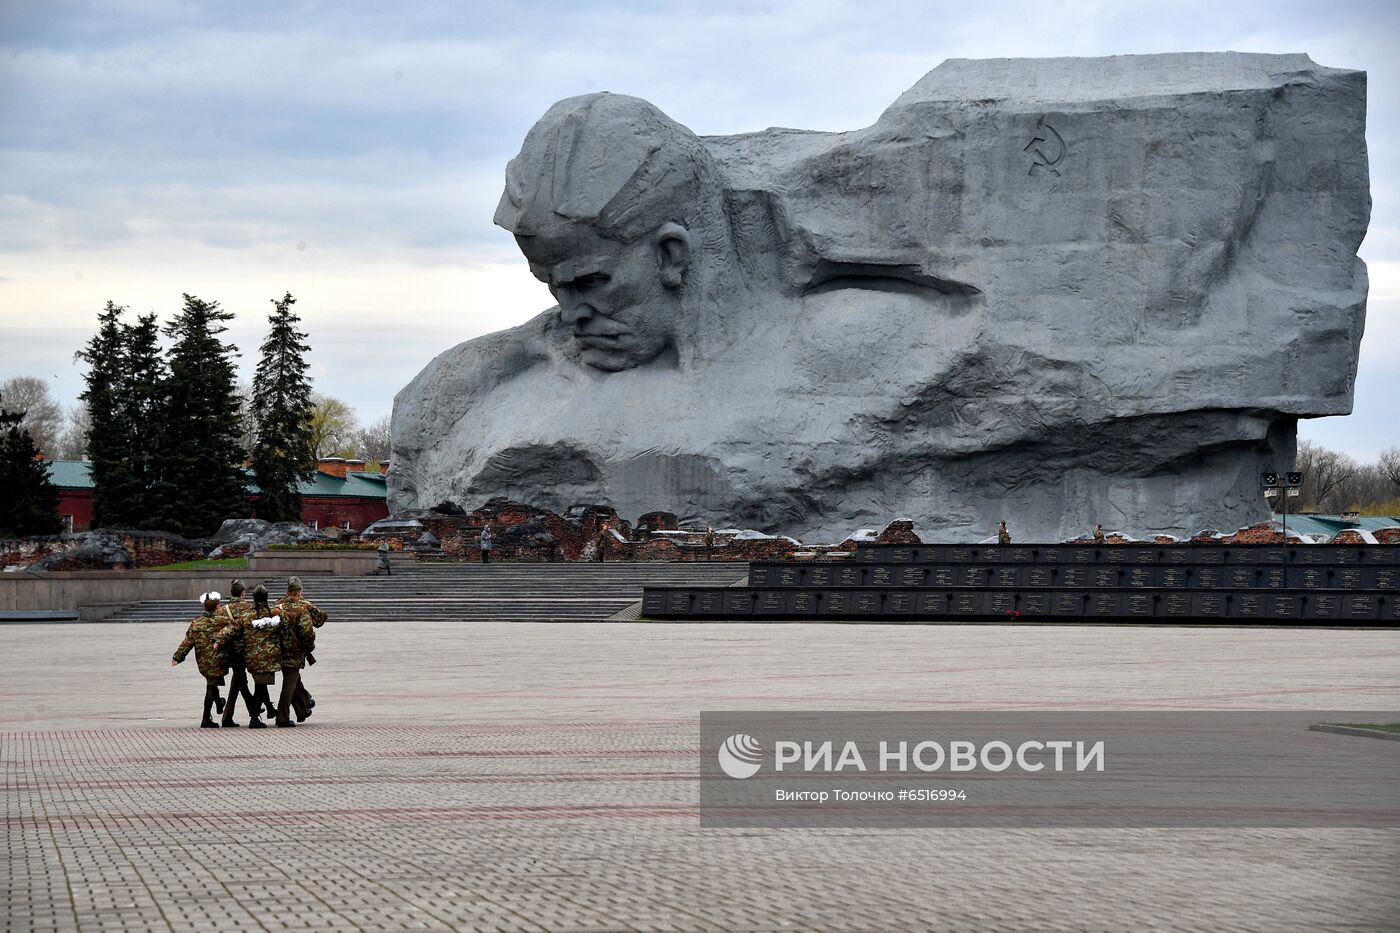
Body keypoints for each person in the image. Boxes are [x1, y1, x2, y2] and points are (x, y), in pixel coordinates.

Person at [171, 591, 231, 728]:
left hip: (203, 661)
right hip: (218, 660)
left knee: (212, 682)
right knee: (211, 686)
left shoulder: (196, 623)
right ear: (217, 607)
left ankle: (219, 703)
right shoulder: (223, 621)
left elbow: (187, 642)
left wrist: (178, 657)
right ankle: (206, 718)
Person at [274, 576, 324, 727]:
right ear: (299, 592)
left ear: (287, 591)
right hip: (295, 651)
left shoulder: (277, 606)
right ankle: (282, 716)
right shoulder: (303, 607)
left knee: (294, 679)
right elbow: (316, 623)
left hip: (277, 650)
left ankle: (303, 708)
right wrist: (309, 647)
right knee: (289, 684)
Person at [237, 584, 284, 728]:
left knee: (260, 685)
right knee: (259, 686)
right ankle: (254, 718)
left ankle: (267, 710)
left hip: (252, 657)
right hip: (269, 657)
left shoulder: (246, 615)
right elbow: (287, 626)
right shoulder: (276, 613)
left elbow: (232, 629)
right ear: (267, 597)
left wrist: (218, 640)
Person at [218, 579, 261, 727]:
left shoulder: (224, 610)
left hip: (231, 651)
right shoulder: (249, 607)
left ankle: (228, 717)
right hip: (248, 650)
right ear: (243, 593)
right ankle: (254, 711)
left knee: (238, 682)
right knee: (246, 682)